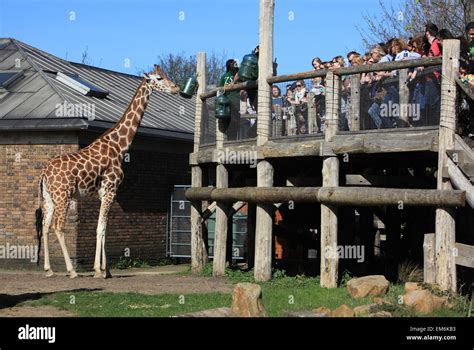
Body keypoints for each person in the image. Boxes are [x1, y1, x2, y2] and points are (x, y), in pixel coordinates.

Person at [219, 59, 242, 140]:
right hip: (231, 102)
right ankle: (231, 139)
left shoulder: (239, 75)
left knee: (233, 122)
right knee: (233, 122)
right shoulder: (225, 76)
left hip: (234, 102)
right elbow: (220, 90)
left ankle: (231, 139)